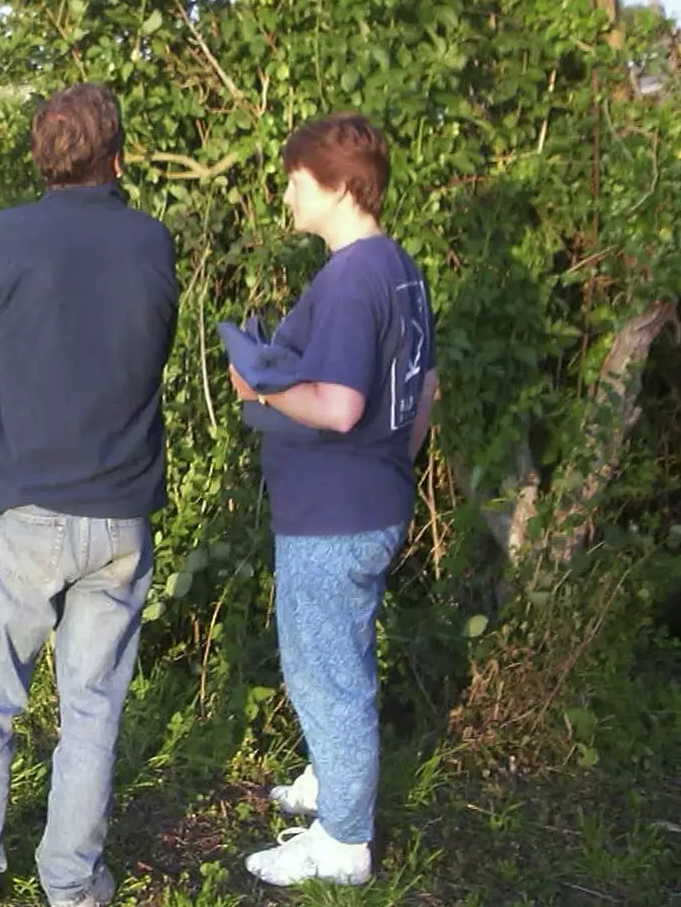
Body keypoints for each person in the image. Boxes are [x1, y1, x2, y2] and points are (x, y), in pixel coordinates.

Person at [0, 83, 179, 907]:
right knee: (92, 707)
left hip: (24, 503)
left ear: (41, 158)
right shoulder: (152, 241)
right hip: (120, 509)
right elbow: (152, 341)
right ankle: (74, 883)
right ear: (115, 153)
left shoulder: (12, 232)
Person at [229, 113, 437, 887]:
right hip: (370, 497)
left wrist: (262, 388)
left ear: (338, 186)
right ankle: (334, 775)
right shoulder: (399, 269)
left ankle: (343, 841)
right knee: (337, 653)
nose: (288, 193)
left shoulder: (351, 277)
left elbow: (341, 406)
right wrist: (388, 467)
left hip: (335, 510)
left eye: (295, 178)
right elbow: (425, 392)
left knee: (324, 669)